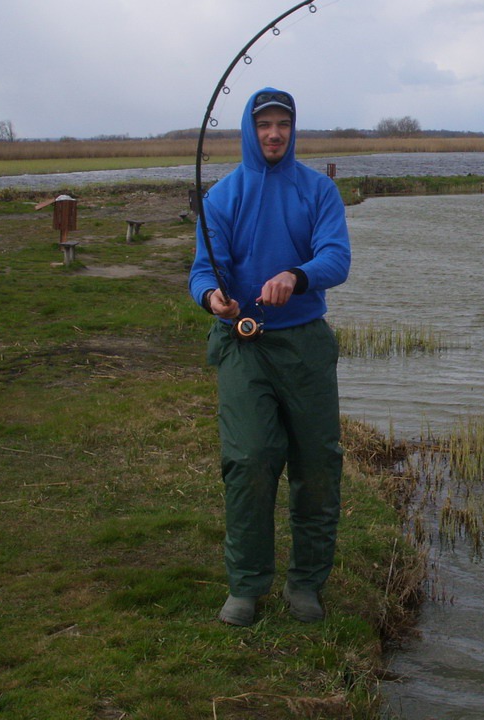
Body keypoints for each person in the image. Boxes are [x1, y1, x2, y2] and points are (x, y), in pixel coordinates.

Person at [189, 87, 351, 626]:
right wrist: (213, 297)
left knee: (318, 468)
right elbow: (202, 269)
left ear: (294, 129)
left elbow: (336, 256)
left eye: (283, 124)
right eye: (265, 125)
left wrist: (296, 275)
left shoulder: (318, 190)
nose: (275, 133)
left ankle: (306, 584)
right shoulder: (223, 197)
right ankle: (247, 585)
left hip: (305, 342)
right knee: (250, 460)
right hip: (243, 343)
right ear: (249, 130)